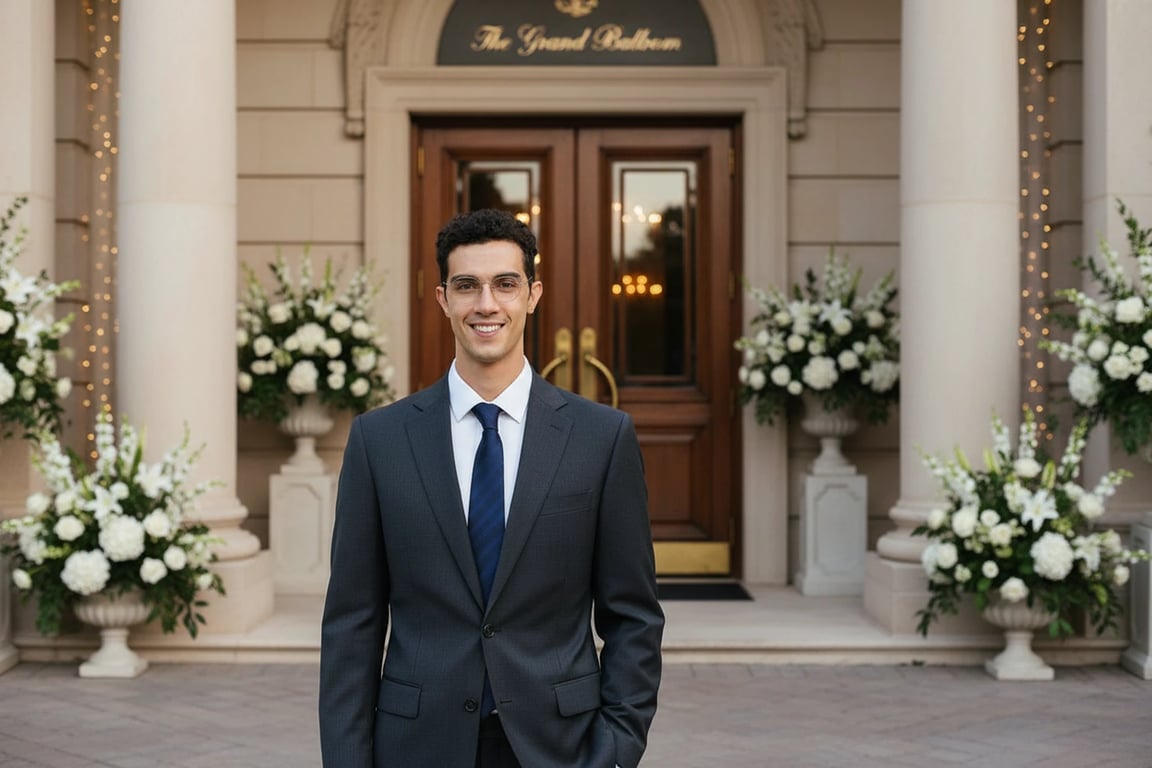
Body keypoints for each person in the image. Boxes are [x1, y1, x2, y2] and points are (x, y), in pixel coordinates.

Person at [319, 208, 664, 768]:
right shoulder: (378, 440)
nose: (486, 303)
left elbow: (634, 618)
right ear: (442, 299)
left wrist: (616, 750)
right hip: (416, 746)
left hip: (561, 747)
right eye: (466, 286)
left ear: (532, 295)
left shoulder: (602, 438)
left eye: (505, 284)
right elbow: (352, 625)